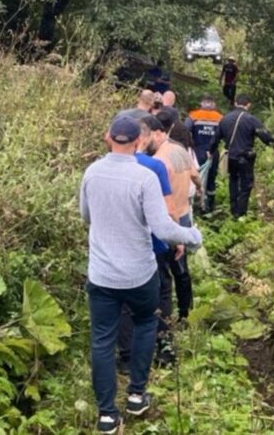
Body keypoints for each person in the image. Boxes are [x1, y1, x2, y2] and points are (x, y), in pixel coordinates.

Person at [80, 115, 202, 434]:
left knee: (102, 339)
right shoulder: (143, 176)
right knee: (146, 322)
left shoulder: (92, 172)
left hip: (102, 275)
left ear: (109, 137)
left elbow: (86, 215)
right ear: (138, 142)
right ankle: (136, 395)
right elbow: (162, 228)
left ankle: (107, 416)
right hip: (138, 273)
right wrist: (193, 237)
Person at [117, 117, 177, 373]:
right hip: (155, 244)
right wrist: (177, 238)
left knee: (124, 302)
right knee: (162, 293)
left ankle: (128, 356)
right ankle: (163, 349)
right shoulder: (155, 166)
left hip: (121, 246)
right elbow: (169, 208)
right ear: (143, 138)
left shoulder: (104, 168)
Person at [148, 118, 201, 321]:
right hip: (184, 214)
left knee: (162, 272)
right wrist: (200, 190)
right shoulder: (180, 150)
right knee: (181, 269)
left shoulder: (158, 160)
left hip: (168, 219)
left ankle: (163, 318)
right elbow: (196, 177)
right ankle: (187, 313)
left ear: (158, 133)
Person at [209, 94, 274, 217]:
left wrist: (211, 151)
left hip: (231, 157)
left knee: (233, 181)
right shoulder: (251, 119)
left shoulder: (225, 119)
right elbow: (264, 135)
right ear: (248, 105)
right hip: (245, 158)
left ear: (235, 103)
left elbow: (215, 138)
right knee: (246, 185)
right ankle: (241, 213)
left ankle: (233, 210)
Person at [185, 95, 223, 212]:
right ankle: (210, 206)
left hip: (197, 151)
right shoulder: (220, 117)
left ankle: (196, 205)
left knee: (196, 177)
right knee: (211, 178)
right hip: (213, 152)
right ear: (213, 104)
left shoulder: (193, 116)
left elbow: (185, 131)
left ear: (201, 104)